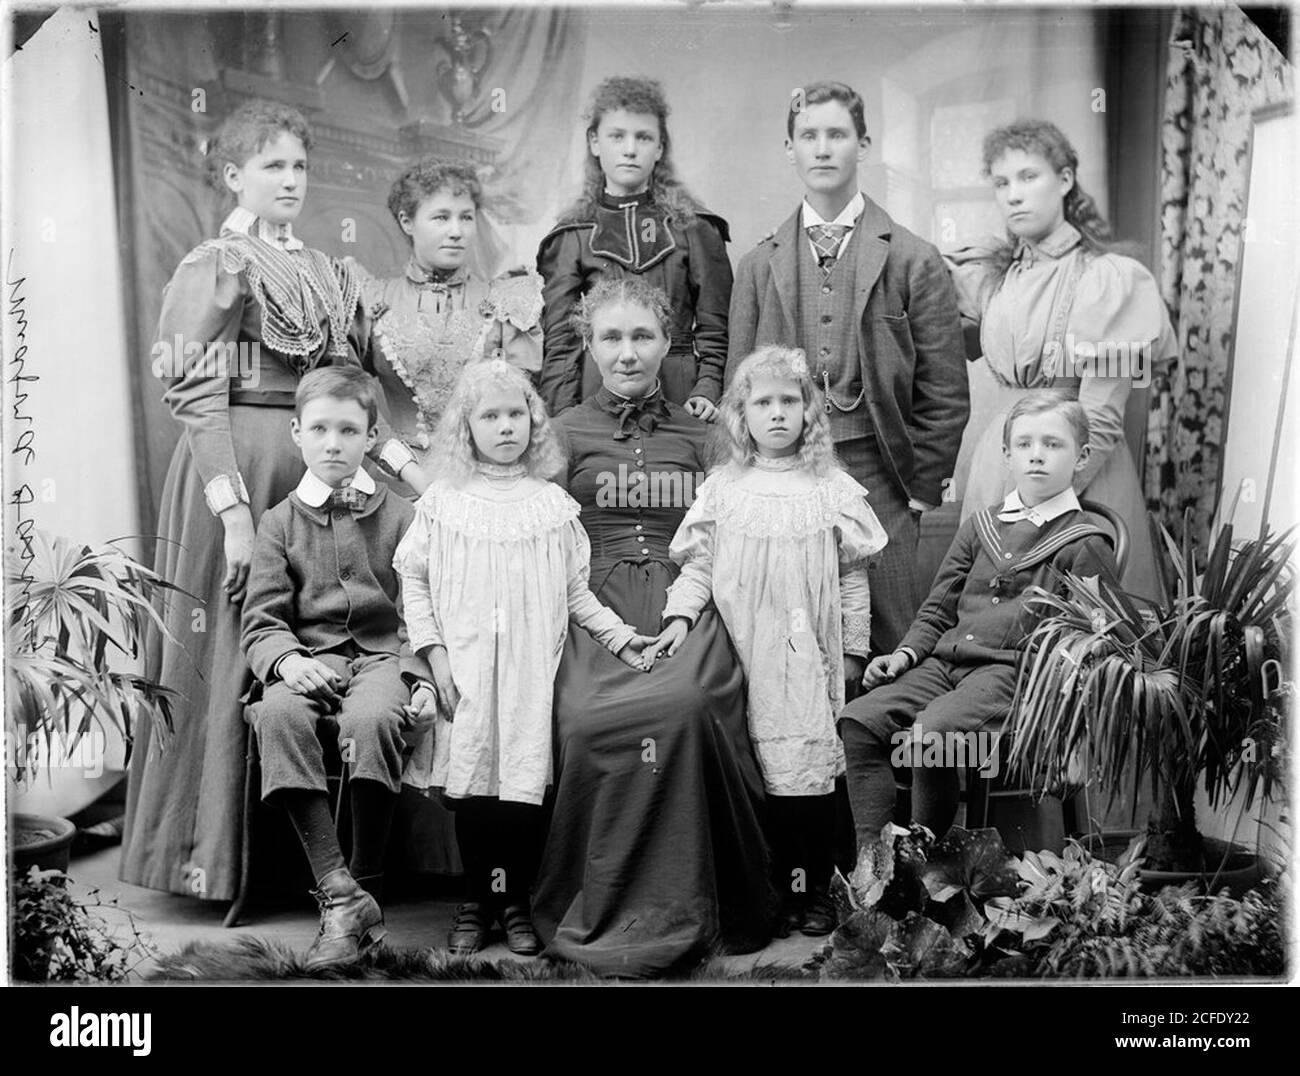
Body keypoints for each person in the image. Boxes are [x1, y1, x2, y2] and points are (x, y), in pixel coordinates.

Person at [121, 100, 426, 901]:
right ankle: (216, 858)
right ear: (233, 176)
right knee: (243, 639)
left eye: (298, 166)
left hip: (317, 459)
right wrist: (232, 515)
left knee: (346, 637)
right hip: (239, 468)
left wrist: (406, 467)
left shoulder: (325, 270)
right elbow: (192, 392)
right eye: (272, 167)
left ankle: (331, 874)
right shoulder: (216, 262)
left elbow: (361, 388)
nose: (291, 180)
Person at [531, 277, 776, 978]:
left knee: (691, 705)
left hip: (686, 601)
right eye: (612, 337)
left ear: (668, 344)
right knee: (581, 716)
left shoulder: (704, 433)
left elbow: (729, 533)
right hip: (595, 604)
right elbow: (541, 536)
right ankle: (598, 905)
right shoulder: (563, 432)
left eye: (643, 337)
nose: (628, 353)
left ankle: (703, 906)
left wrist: (690, 609)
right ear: (589, 345)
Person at [395, 361, 652, 957]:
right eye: (490, 416)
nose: (505, 426)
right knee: (473, 790)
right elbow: (415, 583)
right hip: (466, 669)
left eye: (517, 415)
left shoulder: (550, 505)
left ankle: (513, 901)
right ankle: (474, 899)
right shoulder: (444, 502)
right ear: (467, 426)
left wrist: (621, 638)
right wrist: (435, 660)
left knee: (520, 789)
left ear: (534, 425)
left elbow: (575, 594)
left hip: (529, 674)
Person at [652, 345, 888, 938]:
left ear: (810, 411)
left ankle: (814, 889)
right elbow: (699, 568)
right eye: (763, 402)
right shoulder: (725, 489)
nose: (777, 413)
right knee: (756, 781)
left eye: (790, 401)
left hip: (807, 654)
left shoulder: (831, 488)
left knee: (807, 782)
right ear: (742, 414)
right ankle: (769, 892)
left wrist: (855, 651)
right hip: (739, 650)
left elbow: (852, 575)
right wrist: (679, 619)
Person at [728, 80, 968, 658]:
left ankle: (878, 749)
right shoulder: (760, 265)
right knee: (791, 635)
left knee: (892, 639)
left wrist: (919, 493)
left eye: (837, 134)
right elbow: (740, 383)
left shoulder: (913, 259)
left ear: (863, 143)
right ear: (790, 148)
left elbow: (945, 390)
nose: (823, 148)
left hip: (882, 475)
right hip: (786, 475)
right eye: (808, 135)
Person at [838, 391, 1120, 850]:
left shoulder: (1084, 541)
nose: (1037, 456)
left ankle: (927, 859)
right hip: (943, 665)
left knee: (932, 735)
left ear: (1082, 455)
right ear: (1007, 455)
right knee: (860, 719)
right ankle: (876, 859)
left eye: (1053, 444)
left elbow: (1093, 638)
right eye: (1025, 444)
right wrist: (906, 654)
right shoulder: (981, 526)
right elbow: (937, 608)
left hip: (1011, 675)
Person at [240, 367, 428, 969]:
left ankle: (363, 886)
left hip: (382, 659)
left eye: (349, 430)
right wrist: (288, 660)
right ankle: (341, 894)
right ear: (296, 433)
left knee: (372, 722)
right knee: (275, 715)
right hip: (310, 660)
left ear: (372, 437)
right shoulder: (278, 522)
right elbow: (261, 621)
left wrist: (419, 676)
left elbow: (418, 613)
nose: (333, 443)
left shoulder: (402, 515)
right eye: (319, 429)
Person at [945, 119, 1175, 600]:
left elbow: (1105, 415)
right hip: (999, 459)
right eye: (1002, 183)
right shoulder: (996, 277)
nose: (1013, 195)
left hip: (1078, 472)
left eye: (1029, 177)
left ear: (1066, 180)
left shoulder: (1113, 281)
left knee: (1074, 628)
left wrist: (1043, 500)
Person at [537, 76, 732, 418]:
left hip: (681, 395)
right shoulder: (572, 236)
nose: (630, 149)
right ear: (595, 142)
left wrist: (707, 391)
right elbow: (561, 347)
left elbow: (718, 332)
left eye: (643, 137)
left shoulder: (696, 228)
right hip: (596, 393)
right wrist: (564, 420)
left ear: (659, 148)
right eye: (617, 136)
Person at [362, 158, 544, 498]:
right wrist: (406, 467)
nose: (457, 231)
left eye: (466, 217)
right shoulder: (374, 300)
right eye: (441, 217)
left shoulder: (505, 301)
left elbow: (520, 407)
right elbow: (351, 400)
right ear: (407, 221)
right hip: (397, 482)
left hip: (485, 482)